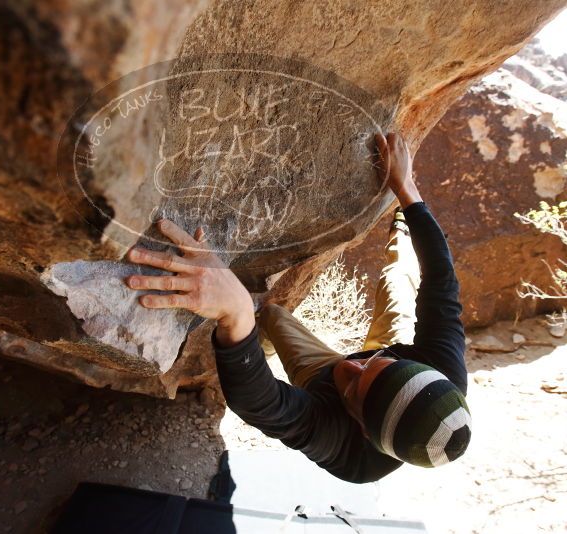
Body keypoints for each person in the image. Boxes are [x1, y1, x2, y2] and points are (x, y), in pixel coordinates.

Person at [124, 132, 471, 483]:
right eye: (370, 364)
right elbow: (441, 278)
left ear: (364, 430)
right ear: (419, 366)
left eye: (353, 389)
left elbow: (262, 404)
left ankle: (259, 344)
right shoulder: (443, 369)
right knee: (399, 278)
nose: (350, 365)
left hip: (323, 378)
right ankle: (401, 238)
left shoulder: (345, 449)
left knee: (269, 316)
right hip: (395, 355)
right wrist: (407, 189)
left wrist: (237, 313)